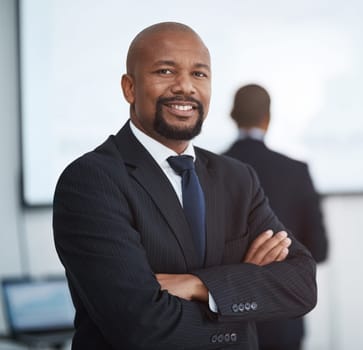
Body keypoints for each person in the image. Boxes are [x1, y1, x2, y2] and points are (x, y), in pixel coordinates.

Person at [52, 22, 317, 350]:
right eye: (165, 71)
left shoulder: (237, 177)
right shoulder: (92, 181)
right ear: (129, 88)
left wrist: (200, 286)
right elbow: (142, 327)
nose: (185, 87)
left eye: (199, 74)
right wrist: (240, 308)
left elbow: (302, 284)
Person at [224, 84, 328, 350]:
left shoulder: (204, 171)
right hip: (283, 317)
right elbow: (319, 248)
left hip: (224, 318)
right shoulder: (296, 171)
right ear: (267, 118)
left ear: (232, 115)